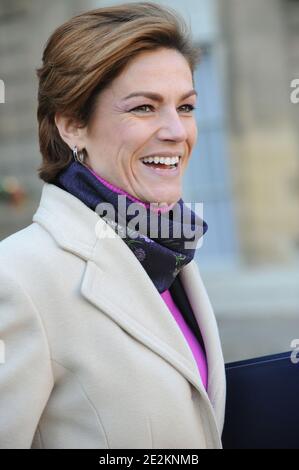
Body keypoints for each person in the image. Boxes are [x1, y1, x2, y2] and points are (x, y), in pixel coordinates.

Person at [0, 2, 226, 449]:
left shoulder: (169, 254)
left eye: (186, 107)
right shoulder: (17, 277)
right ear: (71, 125)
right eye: (144, 108)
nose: (176, 131)